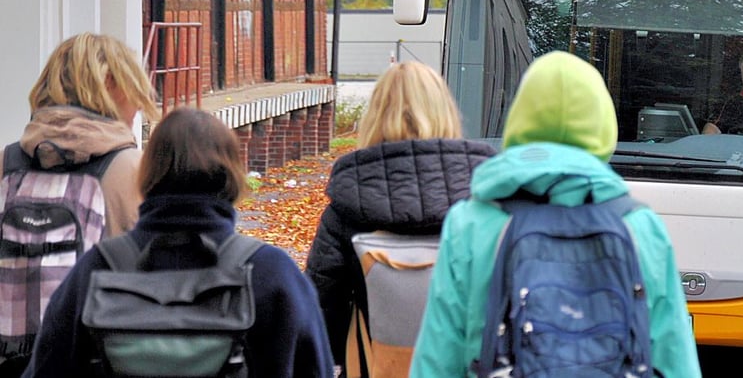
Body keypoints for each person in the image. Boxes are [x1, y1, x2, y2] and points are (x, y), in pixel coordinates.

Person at [409, 51, 702, 377]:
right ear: (603, 127)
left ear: (519, 120)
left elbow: (438, 358)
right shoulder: (640, 226)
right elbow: (675, 359)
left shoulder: (470, 223)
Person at [21, 107, 335, 377]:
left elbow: (47, 367)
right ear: (232, 174)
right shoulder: (273, 275)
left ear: (148, 172)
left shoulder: (96, 271)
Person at [305, 61, 496, 375]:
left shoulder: (346, 207)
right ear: (446, 111)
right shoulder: (487, 198)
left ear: (375, 116)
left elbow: (319, 317)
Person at [1, 32, 159, 235]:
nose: (138, 105)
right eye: (133, 87)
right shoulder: (133, 169)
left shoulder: (6, 163)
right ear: (109, 83)